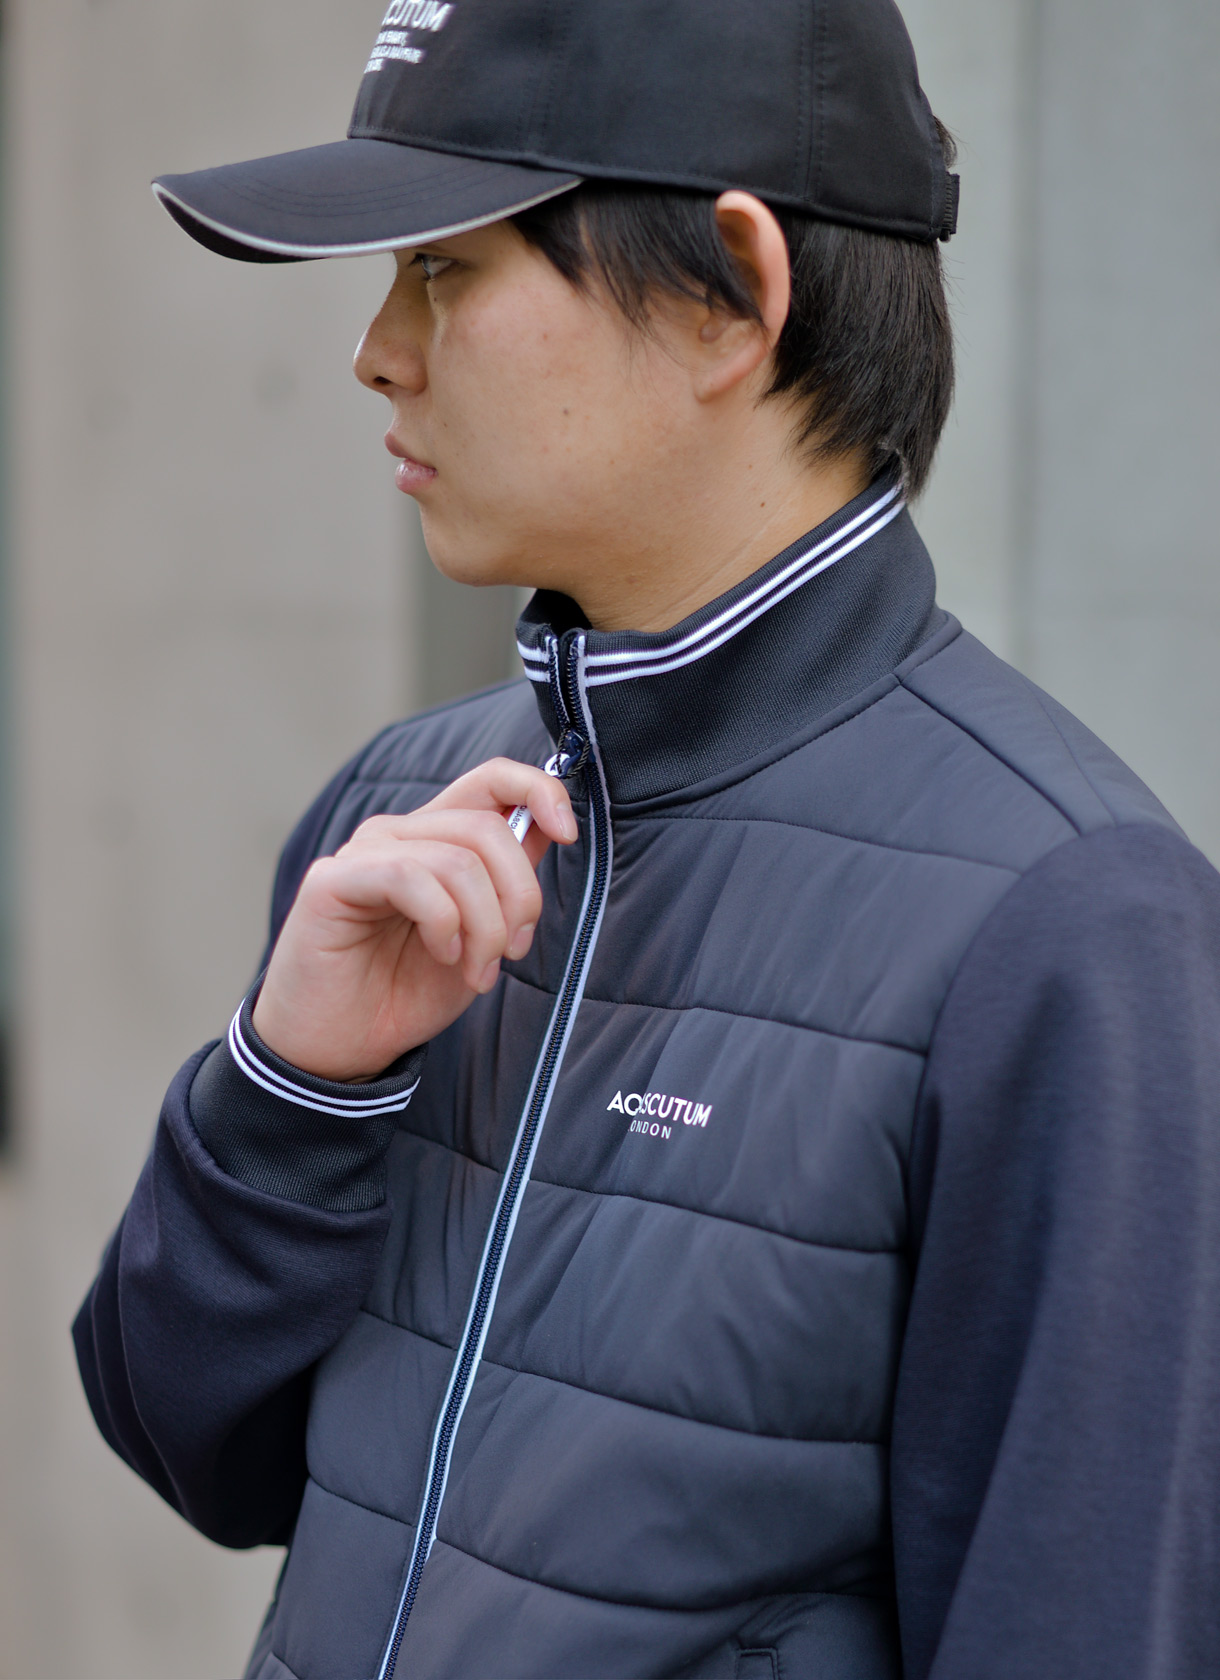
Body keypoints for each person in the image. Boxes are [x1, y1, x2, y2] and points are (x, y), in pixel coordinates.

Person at [73, 2, 1220, 1677]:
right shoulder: (406, 816)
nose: (377, 351)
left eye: (445, 269)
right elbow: (204, 1453)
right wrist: (292, 1090)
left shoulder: (1072, 931)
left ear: (730, 296)